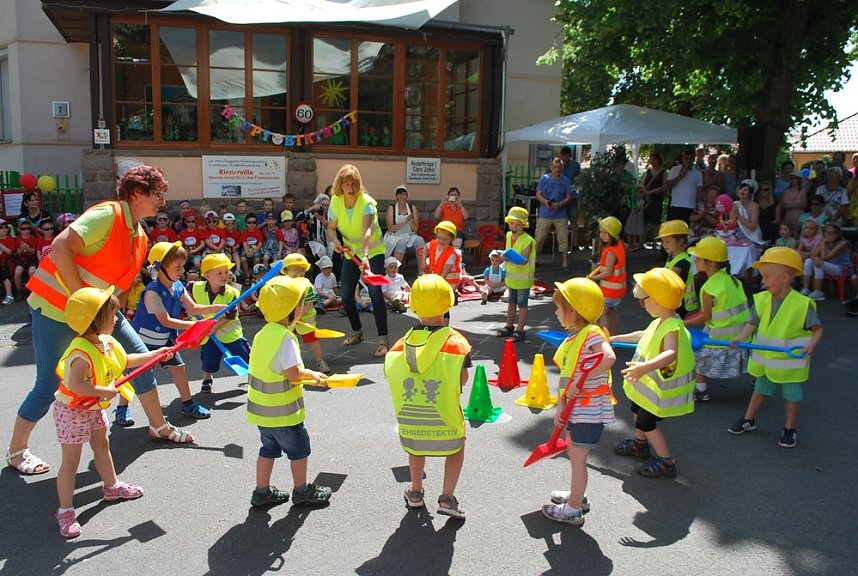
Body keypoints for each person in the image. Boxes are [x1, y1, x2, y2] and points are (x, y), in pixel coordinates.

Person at [7, 165, 192, 477]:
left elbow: (121, 283)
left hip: (101, 312)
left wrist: (108, 310)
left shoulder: (139, 236)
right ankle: (17, 450)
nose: (162, 202)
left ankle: (158, 425)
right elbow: (61, 245)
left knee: (141, 359)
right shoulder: (108, 214)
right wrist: (80, 300)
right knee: (49, 383)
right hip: (56, 308)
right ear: (137, 193)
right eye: (157, 194)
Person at [52, 286, 165, 538]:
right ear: (93, 320)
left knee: (102, 446)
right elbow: (76, 384)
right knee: (71, 461)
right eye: (112, 315)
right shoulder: (80, 352)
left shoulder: (106, 341)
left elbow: (125, 361)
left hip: (93, 408)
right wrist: (103, 390)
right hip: (72, 411)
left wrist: (153, 355)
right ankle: (65, 511)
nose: (116, 318)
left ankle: (112, 487)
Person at [384, 274, 470, 519]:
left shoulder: (402, 343)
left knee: (416, 449)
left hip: (412, 418)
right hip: (445, 415)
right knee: (456, 449)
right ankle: (447, 498)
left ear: (413, 306)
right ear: (448, 303)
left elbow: (391, 372)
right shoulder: (456, 342)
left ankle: (415, 493)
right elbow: (463, 379)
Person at [246, 276, 332, 508]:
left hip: (262, 413)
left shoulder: (262, 334)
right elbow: (294, 374)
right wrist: (313, 375)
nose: (303, 307)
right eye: (300, 303)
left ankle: (261, 492)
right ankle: (302, 490)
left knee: (267, 450)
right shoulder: (285, 338)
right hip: (284, 414)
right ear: (291, 309)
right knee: (299, 452)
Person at [727, 248, 822, 448]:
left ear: (785, 277)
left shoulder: (803, 305)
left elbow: (817, 329)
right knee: (760, 390)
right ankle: (749, 419)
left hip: (789, 365)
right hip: (766, 362)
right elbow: (751, 324)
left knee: (791, 398)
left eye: (767, 277)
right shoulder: (761, 299)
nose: (763, 281)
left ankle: (789, 428)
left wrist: (812, 344)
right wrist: (740, 338)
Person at [541, 278, 615, 526]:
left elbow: (608, 357)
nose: (556, 312)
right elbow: (567, 377)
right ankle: (577, 496)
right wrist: (561, 407)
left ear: (572, 310)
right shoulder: (577, 338)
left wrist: (582, 381)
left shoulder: (592, 334)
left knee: (577, 457)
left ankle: (573, 509)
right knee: (574, 454)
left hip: (589, 411)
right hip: (578, 410)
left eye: (558, 307)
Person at [610, 268, 695, 478]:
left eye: (643, 300)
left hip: (662, 390)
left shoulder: (672, 327)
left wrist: (644, 367)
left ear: (657, 300)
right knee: (636, 408)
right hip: (648, 387)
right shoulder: (661, 321)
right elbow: (642, 335)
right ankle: (640, 444)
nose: (642, 304)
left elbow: (670, 353)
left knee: (646, 423)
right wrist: (615, 339)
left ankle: (666, 461)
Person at [129, 241, 226, 421]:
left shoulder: (179, 286)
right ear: (160, 268)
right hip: (143, 340)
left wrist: (218, 307)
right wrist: (196, 326)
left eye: (183, 266)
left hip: (166, 338)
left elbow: (193, 308)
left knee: (179, 368)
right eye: (178, 266)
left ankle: (188, 404)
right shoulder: (152, 292)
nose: (182, 270)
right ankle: (122, 407)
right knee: (136, 375)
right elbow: (165, 320)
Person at [326, 164, 389, 357]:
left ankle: (383, 339)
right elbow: (330, 228)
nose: (351, 188)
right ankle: (357, 331)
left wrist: (367, 256)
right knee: (346, 296)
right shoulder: (335, 201)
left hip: (373, 252)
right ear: (340, 185)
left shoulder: (367, 203)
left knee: (375, 293)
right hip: (350, 253)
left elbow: (367, 231)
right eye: (347, 184)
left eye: (354, 184)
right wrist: (336, 242)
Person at [684, 236, 750, 402]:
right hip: (743, 336)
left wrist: (682, 323)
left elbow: (705, 316)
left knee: (691, 351)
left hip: (720, 338)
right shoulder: (733, 280)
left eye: (698, 258)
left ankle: (701, 390)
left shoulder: (708, 288)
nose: (695, 261)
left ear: (710, 262)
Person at [193, 253, 250, 393]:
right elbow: (184, 295)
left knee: (244, 354)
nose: (224, 276)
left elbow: (230, 315)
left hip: (229, 332)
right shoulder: (195, 287)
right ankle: (207, 378)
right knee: (208, 358)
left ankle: (254, 376)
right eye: (219, 273)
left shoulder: (232, 292)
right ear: (207, 275)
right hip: (207, 333)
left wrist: (213, 328)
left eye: (226, 272)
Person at [283, 253, 332, 374]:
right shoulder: (284, 285)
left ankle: (319, 361)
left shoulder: (307, 286)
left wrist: (296, 317)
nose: (298, 278)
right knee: (289, 340)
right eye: (294, 275)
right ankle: (291, 364)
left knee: (311, 338)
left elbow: (308, 306)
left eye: (301, 275)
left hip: (305, 317)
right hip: (290, 317)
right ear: (286, 272)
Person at [497, 206, 535, 342]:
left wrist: (506, 258)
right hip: (512, 278)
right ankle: (509, 326)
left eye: (518, 224)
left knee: (522, 305)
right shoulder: (508, 235)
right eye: (512, 223)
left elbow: (524, 260)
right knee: (511, 303)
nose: (514, 227)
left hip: (523, 280)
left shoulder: (527, 240)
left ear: (524, 225)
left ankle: (520, 330)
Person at [589, 216, 626, 337]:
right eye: (601, 232)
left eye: (605, 233)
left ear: (613, 235)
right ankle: (614, 337)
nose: (602, 235)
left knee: (603, 314)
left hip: (609, 290)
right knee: (611, 313)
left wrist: (592, 278)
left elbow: (608, 272)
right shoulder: (619, 244)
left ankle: (605, 338)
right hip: (619, 290)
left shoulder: (610, 252)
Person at [534, 158, 573, 272]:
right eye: (555, 167)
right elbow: (538, 194)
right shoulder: (544, 179)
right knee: (539, 238)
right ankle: (536, 260)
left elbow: (569, 196)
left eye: (559, 167)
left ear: (562, 168)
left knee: (563, 239)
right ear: (551, 167)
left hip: (560, 214)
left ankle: (565, 264)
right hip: (545, 213)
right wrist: (546, 202)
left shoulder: (566, 180)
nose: (557, 169)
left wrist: (560, 204)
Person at [656, 220, 698, 318]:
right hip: (674, 300)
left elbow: (668, 278)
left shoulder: (682, 261)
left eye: (668, 241)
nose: (664, 244)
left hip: (679, 304)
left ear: (681, 241)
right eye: (662, 241)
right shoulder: (672, 257)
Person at [801, 222, 851, 301]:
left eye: (831, 232)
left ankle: (818, 292)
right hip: (829, 266)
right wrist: (816, 258)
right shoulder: (825, 241)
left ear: (837, 234)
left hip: (842, 269)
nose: (828, 234)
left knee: (819, 264)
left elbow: (825, 258)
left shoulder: (842, 243)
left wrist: (823, 244)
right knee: (808, 261)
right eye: (826, 232)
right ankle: (806, 289)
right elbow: (813, 254)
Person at [383, 185, 425, 275]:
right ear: (396, 196)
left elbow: (416, 228)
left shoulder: (412, 208)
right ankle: (394, 273)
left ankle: (421, 272)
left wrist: (410, 222)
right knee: (401, 242)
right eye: (399, 194)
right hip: (395, 236)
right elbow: (390, 228)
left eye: (404, 194)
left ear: (407, 196)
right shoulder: (392, 208)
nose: (402, 196)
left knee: (420, 240)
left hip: (410, 235)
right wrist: (405, 222)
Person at [665, 149, 703, 223]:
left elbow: (699, 192)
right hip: (676, 205)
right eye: (686, 159)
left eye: (690, 159)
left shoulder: (697, 173)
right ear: (683, 159)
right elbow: (668, 185)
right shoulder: (674, 169)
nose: (688, 161)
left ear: (693, 160)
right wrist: (680, 176)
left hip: (690, 206)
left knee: (686, 228)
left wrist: (699, 206)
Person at [425, 220, 462, 292]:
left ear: (451, 239)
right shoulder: (433, 244)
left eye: (445, 239)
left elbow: (444, 274)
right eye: (439, 238)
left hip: (448, 283)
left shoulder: (451, 254)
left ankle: (454, 292)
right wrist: (423, 262)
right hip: (437, 277)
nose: (441, 241)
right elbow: (425, 247)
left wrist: (433, 286)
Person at [640, 153, 667, 244]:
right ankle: (642, 241)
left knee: (656, 221)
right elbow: (642, 183)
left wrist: (651, 192)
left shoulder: (663, 173)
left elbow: (664, 187)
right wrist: (646, 193)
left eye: (654, 159)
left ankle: (655, 241)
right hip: (647, 199)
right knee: (645, 221)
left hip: (657, 199)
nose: (652, 161)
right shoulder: (648, 171)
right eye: (651, 159)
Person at [731, 180, 765, 246]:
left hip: (751, 237)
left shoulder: (754, 206)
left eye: (745, 190)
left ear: (750, 193)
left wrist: (738, 215)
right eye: (740, 189)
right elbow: (732, 224)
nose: (742, 191)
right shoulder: (735, 204)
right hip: (737, 236)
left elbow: (752, 227)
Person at [560, 146, 582, 249]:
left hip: (572, 197)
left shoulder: (575, 165)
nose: (566, 159)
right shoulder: (557, 165)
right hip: (561, 197)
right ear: (561, 156)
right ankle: (564, 244)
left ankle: (575, 243)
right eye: (564, 157)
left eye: (568, 157)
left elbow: (579, 179)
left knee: (573, 220)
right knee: (562, 221)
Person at [13, 218, 39, 297]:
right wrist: (21, 249)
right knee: (17, 272)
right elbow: (18, 253)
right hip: (21, 259)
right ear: (18, 229)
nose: (26, 231)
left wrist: (28, 249)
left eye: (28, 228)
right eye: (23, 229)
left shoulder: (33, 238)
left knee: (32, 272)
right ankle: (19, 291)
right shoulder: (17, 239)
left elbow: (33, 251)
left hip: (31, 259)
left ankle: (35, 291)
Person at [239, 214, 264, 282]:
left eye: (254, 222)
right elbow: (244, 243)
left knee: (257, 259)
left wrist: (253, 251)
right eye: (249, 222)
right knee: (243, 259)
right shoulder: (244, 232)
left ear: (256, 223)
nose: (251, 224)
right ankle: (247, 275)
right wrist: (247, 251)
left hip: (256, 249)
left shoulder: (258, 232)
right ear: (246, 223)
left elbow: (260, 243)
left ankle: (254, 275)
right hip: (247, 248)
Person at [0, 219, 15, 305]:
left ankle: (9, 295)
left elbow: (9, 252)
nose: (4, 229)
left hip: (7, 261)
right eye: (1, 227)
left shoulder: (9, 239)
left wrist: (1, 245)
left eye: (6, 227)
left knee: (5, 273)